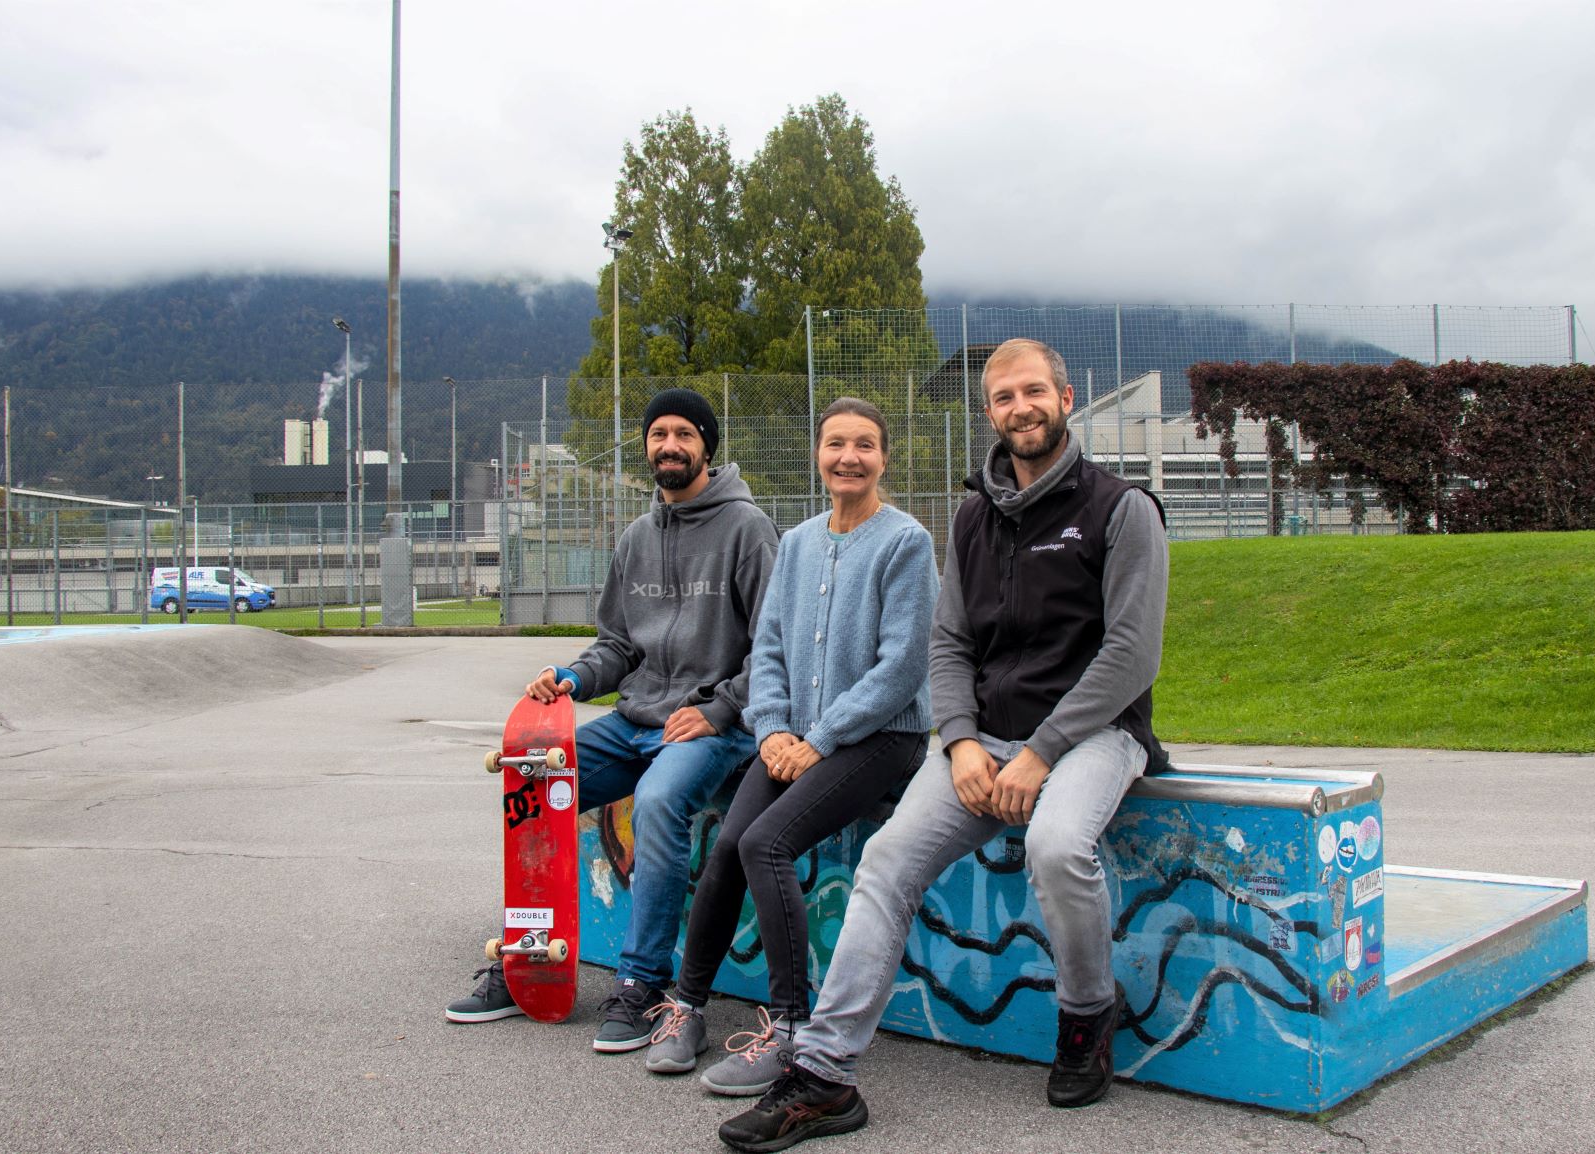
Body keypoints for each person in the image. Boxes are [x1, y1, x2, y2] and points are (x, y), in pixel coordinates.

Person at [719, 339, 1169, 1151]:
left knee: (1059, 846)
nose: (1020, 407)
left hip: (1096, 733)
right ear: (989, 411)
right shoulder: (972, 516)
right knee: (885, 865)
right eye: (1003, 397)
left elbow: (1132, 655)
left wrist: (1040, 752)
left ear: (1066, 398)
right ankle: (823, 1077)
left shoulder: (1121, 508)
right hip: (982, 738)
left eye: (1034, 391)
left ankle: (1087, 1014)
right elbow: (950, 644)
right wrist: (961, 741)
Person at [445, 388, 778, 1054]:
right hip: (635, 719)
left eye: (685, 434)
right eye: (659, 435)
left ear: (707, 446)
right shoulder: (637, 537)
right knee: (534, 783)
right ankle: (526, 957)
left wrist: (716, 710)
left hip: (714, 726)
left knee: (657, 802)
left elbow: (774, 648)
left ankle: (643, 983)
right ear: (647, 447)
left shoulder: (748, 530)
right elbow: (618, 646)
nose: (670, 446)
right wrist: (570, 679)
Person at [641, 397, 938, 1098]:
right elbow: (767, 646)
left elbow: (901, 668)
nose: (849, 457)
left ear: (883, 458)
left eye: (865, 445)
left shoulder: (905, 542)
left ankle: (791, 1029)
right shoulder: (799, 541)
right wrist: (772, 728)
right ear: (818, 453)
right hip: (793, 738)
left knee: (764, 844)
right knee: (727, 844)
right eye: (836, 443)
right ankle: (685, 1007)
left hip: (881, 739)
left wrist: (820, 739)